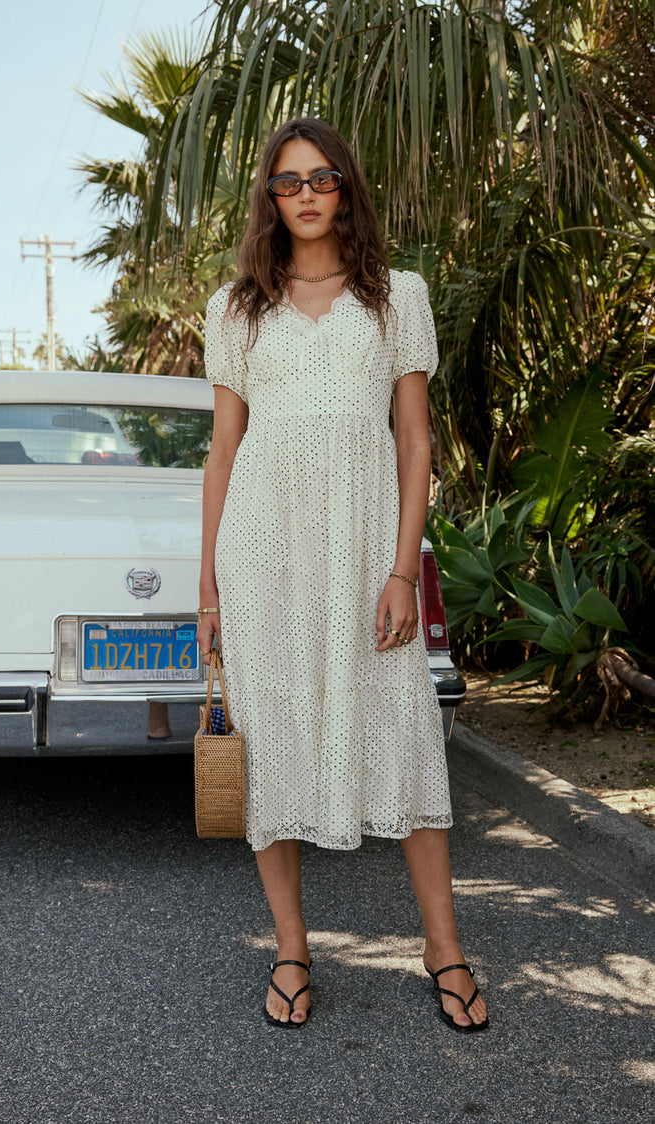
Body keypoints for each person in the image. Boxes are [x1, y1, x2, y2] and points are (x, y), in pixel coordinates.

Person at [196, 118, 488, 1034]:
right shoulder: (236, 308)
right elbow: (222, 452)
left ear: (347, 187)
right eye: (288, 182)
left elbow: (415, 441)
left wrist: (403, 570)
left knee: (404, 729)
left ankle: (445, 948)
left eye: (323, 177)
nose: (307, 194)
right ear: (269, 198)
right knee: (271, 739)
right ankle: (291, 947)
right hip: (263, 553)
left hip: (366, 554)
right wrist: (207, 589)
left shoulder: (398, 297)